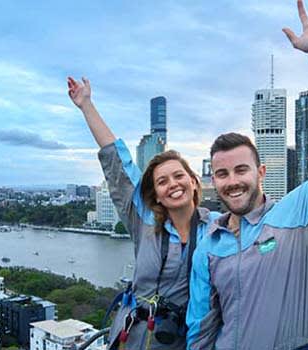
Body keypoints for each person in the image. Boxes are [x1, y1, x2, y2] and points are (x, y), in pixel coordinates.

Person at [186, 0, 308, 349]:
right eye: (222, 173)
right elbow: (201, 328)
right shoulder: (209, 245)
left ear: (262, 172)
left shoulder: (298, 216)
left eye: (241, 169)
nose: (232, 181)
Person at [68, 76, 218, 350]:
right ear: (156, 194)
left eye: (178, 176)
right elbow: (118, 164)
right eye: (162, 182)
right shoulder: (145, 222)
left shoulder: (217, 229)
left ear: (194, 181)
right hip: (135, 336)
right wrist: (86, 105)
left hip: (182, 339)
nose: (172, 184)